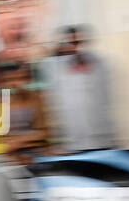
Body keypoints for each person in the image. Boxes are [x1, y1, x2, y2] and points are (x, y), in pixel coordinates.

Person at [46, 25, 119, 153]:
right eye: (71, 43)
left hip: (103, 138)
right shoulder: (55, 66)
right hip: (73, 142)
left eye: (79, 42)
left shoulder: (98, 62)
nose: (76, 47)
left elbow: (106, 98)